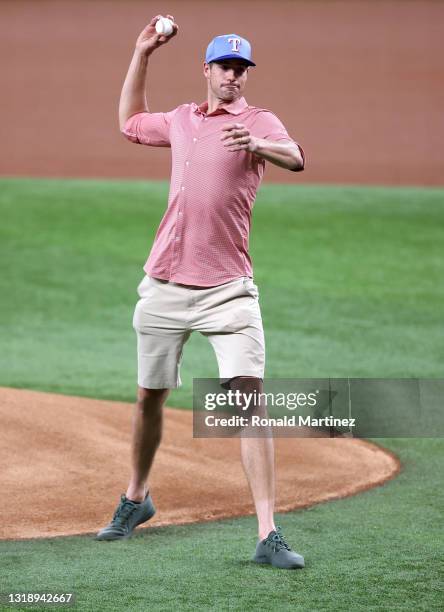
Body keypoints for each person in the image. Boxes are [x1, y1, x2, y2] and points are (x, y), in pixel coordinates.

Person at [96, 15, 306, 570]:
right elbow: (130, 123)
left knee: (248, 401)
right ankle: (135, 499)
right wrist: (141, 53)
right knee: (150, 396)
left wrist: (258, 142)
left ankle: (268, 533)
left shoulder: (259, 120)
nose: (233, 75)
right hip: (165, 280)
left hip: (229, 291)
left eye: (241, 68)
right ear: (207, 70)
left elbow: (297, 157)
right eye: (224, 66)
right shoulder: (183, 119)